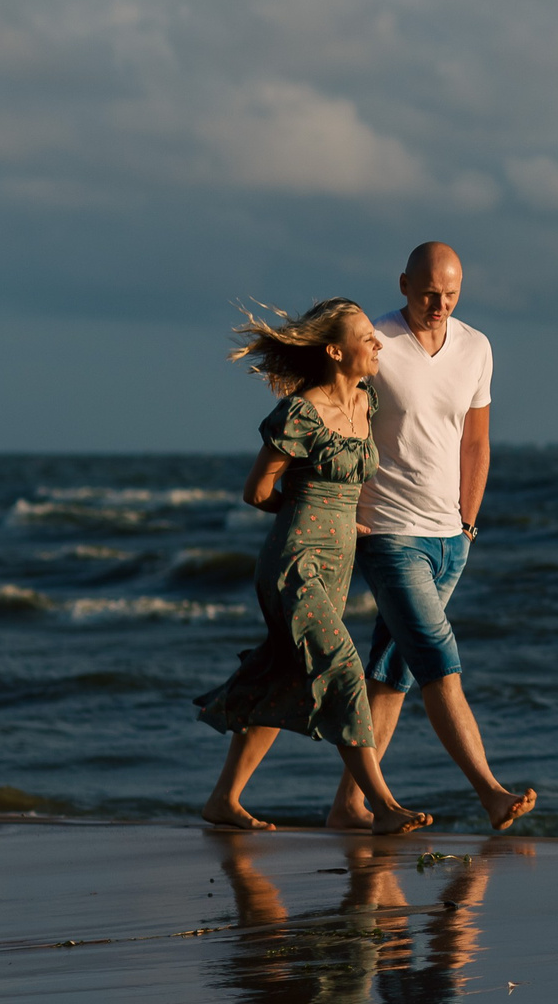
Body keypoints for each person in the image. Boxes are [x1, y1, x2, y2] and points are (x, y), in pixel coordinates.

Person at [194, 299, 433, 835]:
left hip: (337, 565)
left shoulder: (367, 401)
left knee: (284, 674)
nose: (377, 343)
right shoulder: (301, 413)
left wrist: (350, 523)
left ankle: (222, 800)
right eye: (365, 337)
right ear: (335, 351)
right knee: (343, 666)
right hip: (294, 563)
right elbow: (256, 491)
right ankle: (379, 805)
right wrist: (313, 512)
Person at [327, 242, 538, 832]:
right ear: (403, 285)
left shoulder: (476, 347)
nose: (439, 305)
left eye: (450, 294)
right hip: (390, 533)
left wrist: (467, 523)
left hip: (450, 538)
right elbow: (335, 418)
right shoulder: (376, 343)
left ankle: (348, 804)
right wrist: (343, 508)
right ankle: (491, 792)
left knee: (391, 674)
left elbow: (476, 440)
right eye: (427, 294)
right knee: (441, 665)